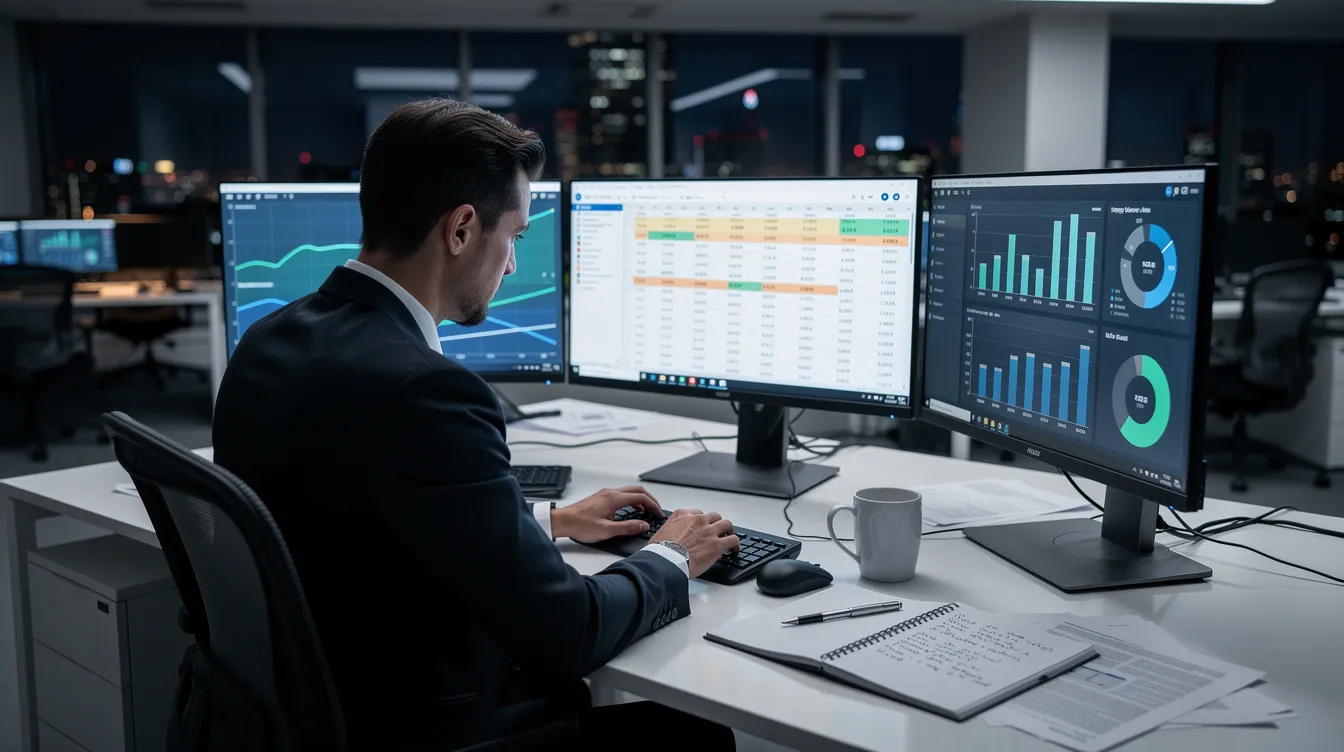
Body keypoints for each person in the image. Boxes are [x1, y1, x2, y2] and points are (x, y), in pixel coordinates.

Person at [212, 99, 740, 751]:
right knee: (699, 733)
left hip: (305, 712)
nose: (513, 262)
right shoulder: (427, 390)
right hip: (429, 727)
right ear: (462, 229)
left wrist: (546, 521)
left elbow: (358, 519)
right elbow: (567, 633)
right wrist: (672, 556)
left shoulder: (268, 339)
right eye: (513, 235)